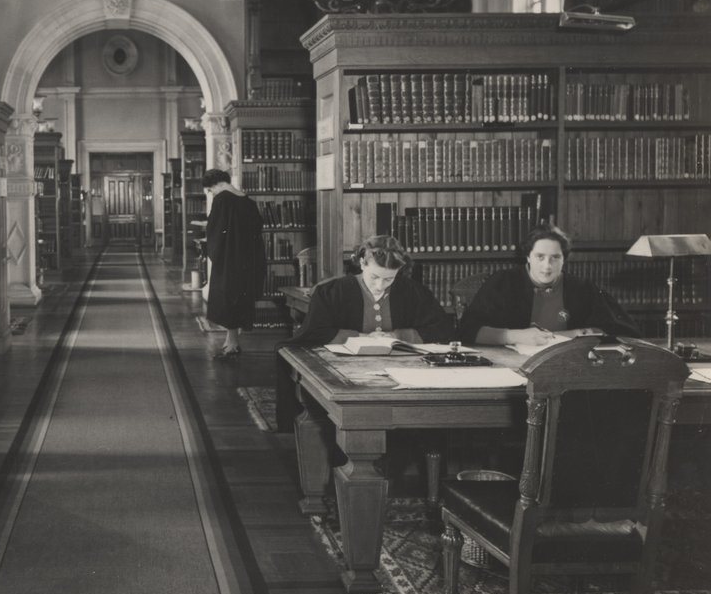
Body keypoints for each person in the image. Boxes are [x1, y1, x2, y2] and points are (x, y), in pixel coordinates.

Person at [274, 235, 453, 429]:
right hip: (343, 373)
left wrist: (397, 336)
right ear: (362, 263)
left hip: (402, 373)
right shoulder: (332, 292)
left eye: (389, 279)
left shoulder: (413, 292)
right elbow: (316, 332)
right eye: (374, 277)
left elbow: (441, 329)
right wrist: (360, 337)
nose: (380, 286)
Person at [457, 225, 640, 346]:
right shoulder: (502, 282)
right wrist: (515, 336)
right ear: (528, 257)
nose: (547, 266)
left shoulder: (582, 288)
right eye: (540, 257)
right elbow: (468, 331)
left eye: (555, 258)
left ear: (564, 259)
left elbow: (622, 329)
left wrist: (577, 334)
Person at [202, 168, 266, 358]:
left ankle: (232, 344)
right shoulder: (247, 200)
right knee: (239, 298)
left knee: (227, 298)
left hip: (229, 259)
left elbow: (215, 229)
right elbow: (258, 227)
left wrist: (213, 252)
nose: (212, 193)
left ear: (217, 185)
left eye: (210, 190)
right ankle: (231, 341)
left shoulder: (222, 199)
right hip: (249, 258)